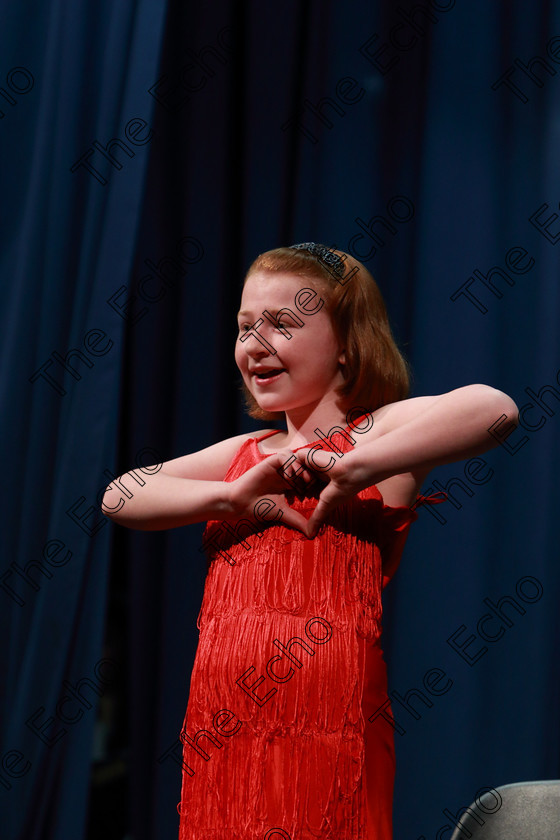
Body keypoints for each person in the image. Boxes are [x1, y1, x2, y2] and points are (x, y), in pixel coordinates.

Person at [103, 243, 519, 840]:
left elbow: (495, 409)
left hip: (330, 727)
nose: (255, 342)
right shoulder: (245, 455)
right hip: (226, 727)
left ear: (348, 344)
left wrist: (356, 466)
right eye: (245, 327)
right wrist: (229, 498)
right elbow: (120, 495)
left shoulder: (375, 436)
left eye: (283, 324)